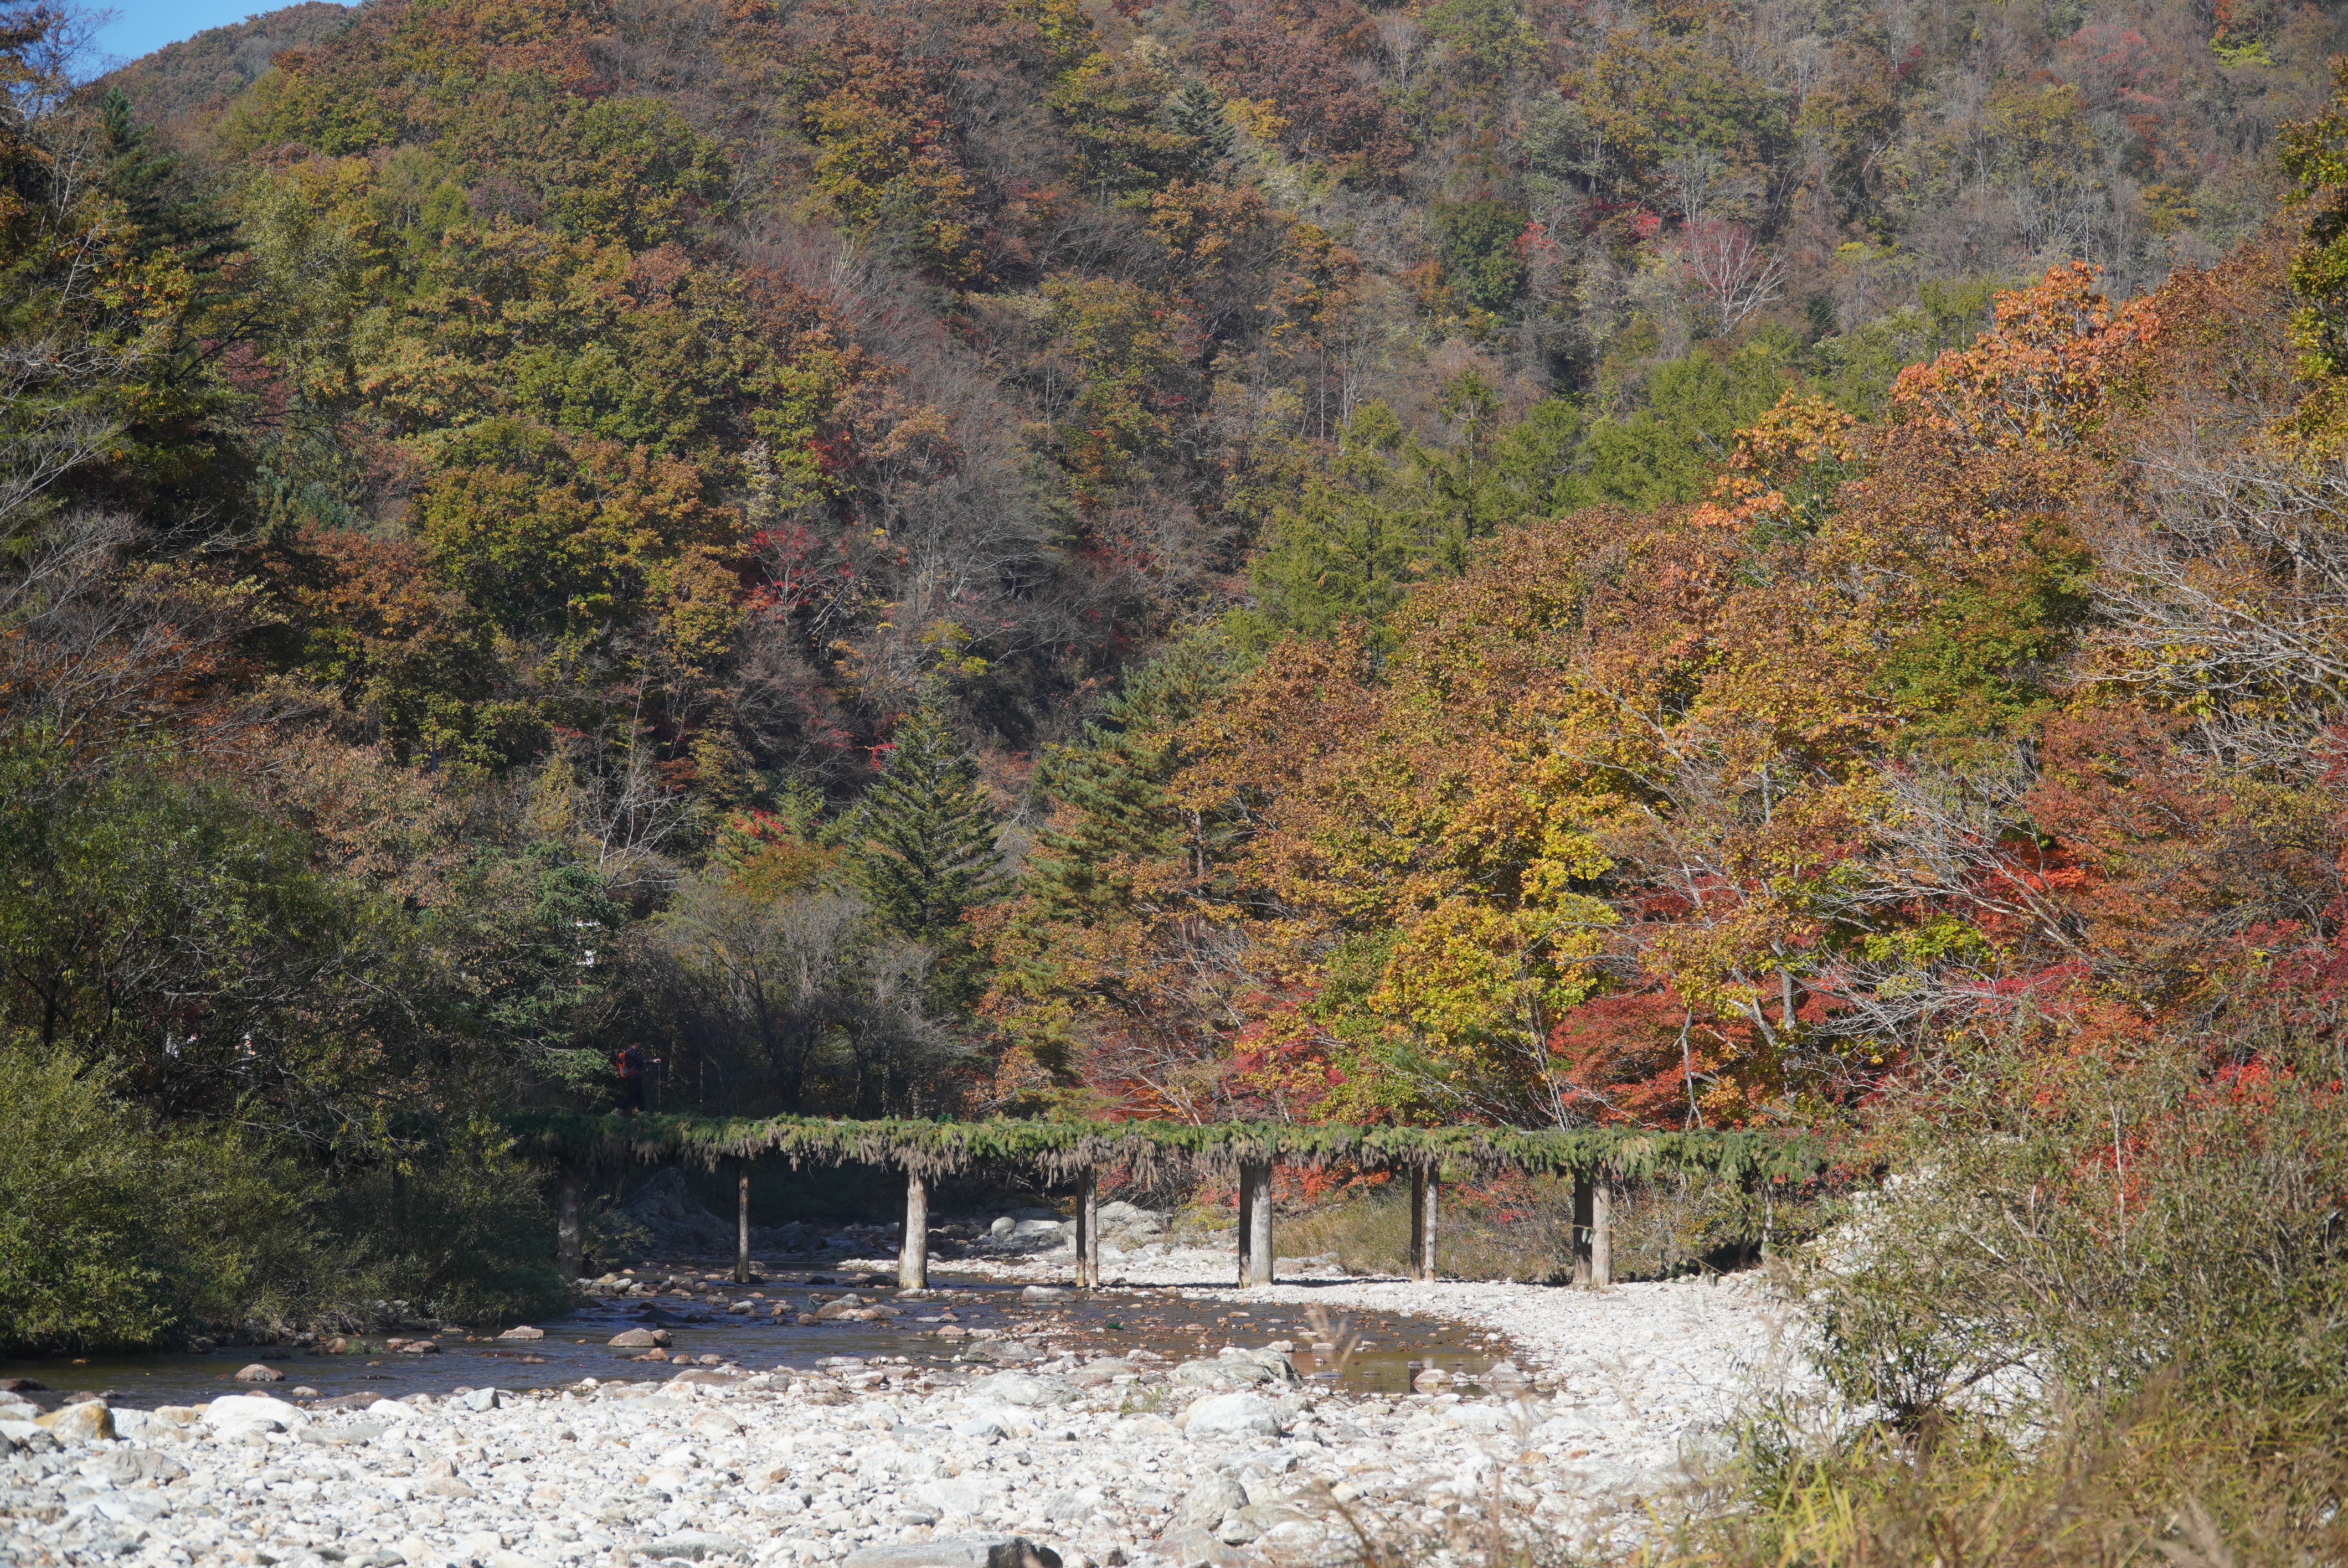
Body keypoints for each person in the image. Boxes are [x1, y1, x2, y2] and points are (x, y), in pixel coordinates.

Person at [616, 1043, 657, 1114]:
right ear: (636, 1043)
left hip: (633, 1077)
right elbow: (641, 1062)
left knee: (640, 1095)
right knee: (632, 1096)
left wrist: (652, 1061)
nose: (639, 1046)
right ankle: (618, 1109)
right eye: (638, 1044)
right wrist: (652, 1061)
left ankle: (642, 1111)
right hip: (634, 1077)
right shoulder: (632, 1053)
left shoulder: (627, 1051)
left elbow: (639, 1060)